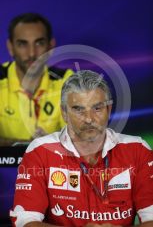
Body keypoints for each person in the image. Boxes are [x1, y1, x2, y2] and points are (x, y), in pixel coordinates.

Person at [10, 70, 153, 226]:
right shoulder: (40, 151)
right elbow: (25, 222)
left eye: (97, 108)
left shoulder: (138, 150)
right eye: (78, 109)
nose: (89, 118)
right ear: (64, 113)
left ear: (109, 110)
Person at [0, 12, 73, 143]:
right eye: (23, 44)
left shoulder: (67, 81)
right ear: (10, 47)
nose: (32, 53)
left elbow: (82, 141)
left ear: (51, 46)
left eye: (39, 43)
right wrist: (32, 147)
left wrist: (50, 146)